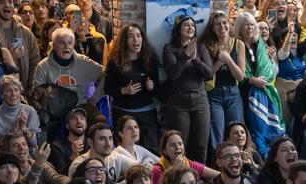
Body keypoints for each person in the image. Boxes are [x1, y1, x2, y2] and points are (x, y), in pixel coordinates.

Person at [162, 15, 214, 164]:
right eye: (186, 25)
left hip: (200, 100)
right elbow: (173, 74)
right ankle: (180, 175)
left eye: (192, 25)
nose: (190, 27)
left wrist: (196, 60)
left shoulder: (201, 47)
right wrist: (185, 56)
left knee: (200, 144)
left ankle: (199, 180)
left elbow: (209, 74)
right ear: (178, 29)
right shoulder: (169, 48)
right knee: (180, 144)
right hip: (179, 102)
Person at [104, 24, 161, 152]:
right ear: (124, 41)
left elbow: (157, 88)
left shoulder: (149, 59)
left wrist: (151, 87)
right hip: (123, 113)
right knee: (125, 151)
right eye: (131, 36)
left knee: (151, 150)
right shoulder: (115, 61)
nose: (136, 40)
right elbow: (107, 88)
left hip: (146, 113)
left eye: (138, 36)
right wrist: (124, 91)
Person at [237, 12, 285, 157]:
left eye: (252, 24)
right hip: (244, 92)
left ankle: (269, 155)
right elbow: (238, 71)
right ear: (239, 27)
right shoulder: (236, 45)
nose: (249, 28)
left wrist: (260, 80)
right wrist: (251, 79)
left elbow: (269, 70)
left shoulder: (259, 44)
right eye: (246, 25)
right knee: (250, 127)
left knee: (265, 128)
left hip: (263, 91)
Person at [203, 11, 247, 159]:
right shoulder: (207, 46)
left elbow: (240, 76)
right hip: (214, 93)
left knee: (236, 130)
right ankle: (218, 164)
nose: (222, 26)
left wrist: (228, 60)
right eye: (217, 24)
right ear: (213, 28)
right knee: (217, 132)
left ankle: (237, 161)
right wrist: (219, 62)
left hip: (233, 93)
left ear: (229, 25)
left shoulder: (238, 44)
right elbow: (207, 74)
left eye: (224, 23)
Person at [33, 26, 104, 103]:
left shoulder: (84, 62)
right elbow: (37, 94)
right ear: (54, 46)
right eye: (62, 43)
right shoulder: (43, 66)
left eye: (70, 43)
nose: (67, 47)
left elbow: (104, 74)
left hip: (80, 109)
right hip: (53, 111)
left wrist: (94, 98)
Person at [0, 0, 42, 93]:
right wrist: (11, 59)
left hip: (24, 91)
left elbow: (34, 61)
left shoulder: (25, 32)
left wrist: (31, 87)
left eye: (10, 2)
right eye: (2, 2)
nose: (7, 5)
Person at [0, 74, 42, 156]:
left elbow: (39, 143)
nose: (13, 94)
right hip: (3, 158)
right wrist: (11, 135)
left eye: (16, 90)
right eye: (8, 90)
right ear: (1, 95)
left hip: (28, 157)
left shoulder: (30, 111)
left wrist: (24, 130)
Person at [69, 121, 133, 184]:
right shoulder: (77, 165)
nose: (108, 144)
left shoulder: (115, 157)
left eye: (110, 138)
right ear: (90, 142)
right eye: (102, 139)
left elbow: (141, 171)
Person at [151, 129, 218, 184]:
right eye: (172, 145)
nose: (177, 147)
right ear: (164, 151)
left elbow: (220, 176)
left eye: (180, 144)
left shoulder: (190, 164)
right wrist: (176, 172)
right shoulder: (157, 170)